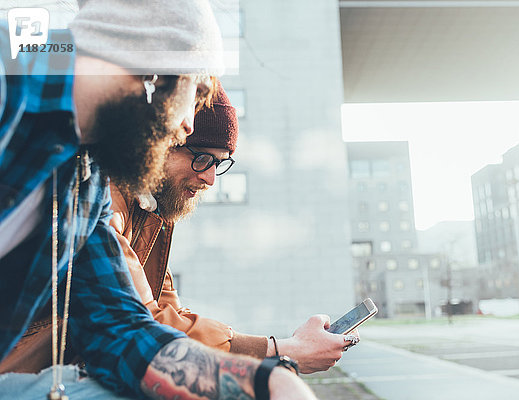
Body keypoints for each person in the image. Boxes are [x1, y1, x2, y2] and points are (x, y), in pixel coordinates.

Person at [0, 1, 315, 399]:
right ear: (154, 74)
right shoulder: (10, 84)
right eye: (196, 96)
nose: (186, 128)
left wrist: (266, 380)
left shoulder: (87, 179)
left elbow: (121, 332)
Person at [109, 80, 357, 374]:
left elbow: (170, 314)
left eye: (219, 164)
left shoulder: (149, 212)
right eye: (202, 158)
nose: (210, 179)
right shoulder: (109, 201)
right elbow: (146, 323)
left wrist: (279, 350)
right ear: (162, 143)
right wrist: (282, 349)